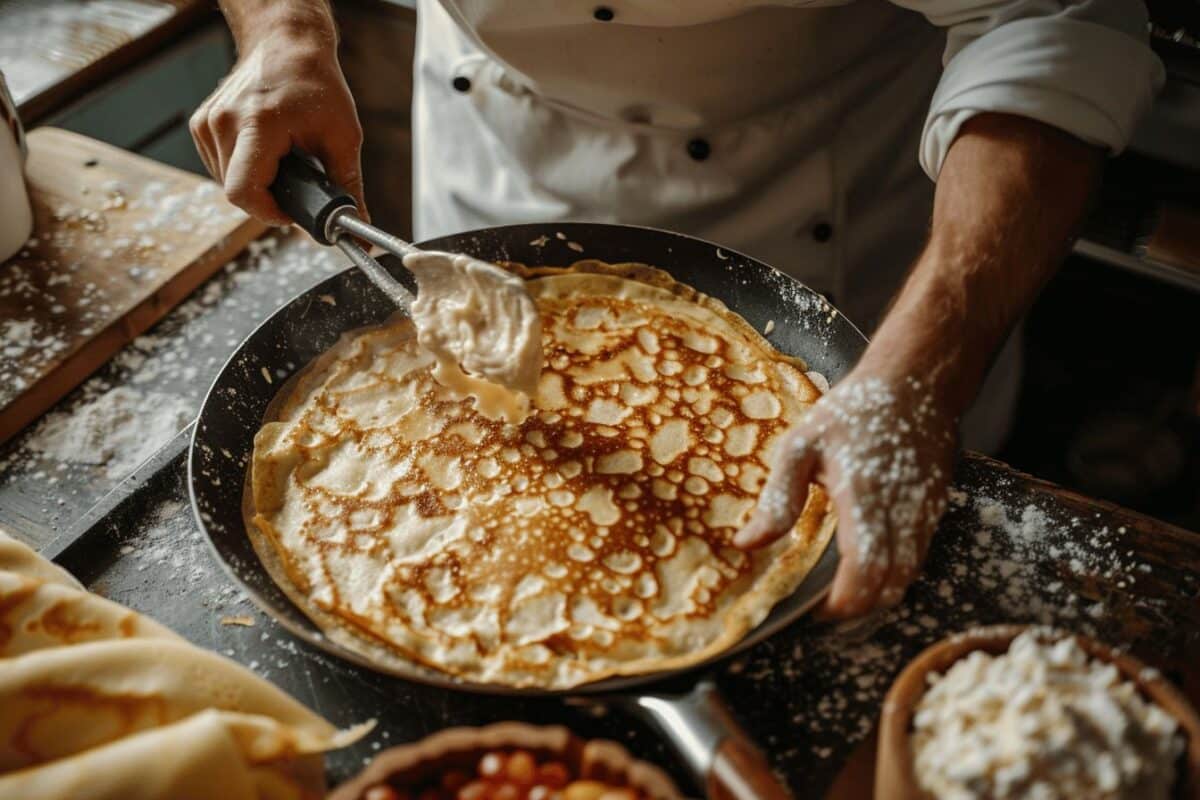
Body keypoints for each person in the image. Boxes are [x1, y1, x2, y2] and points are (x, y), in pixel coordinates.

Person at [191, 0, 1163, 618]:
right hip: (491, 156)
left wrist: (917, 372)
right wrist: (282, 28)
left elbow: (1054, 22)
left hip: (821, 223)